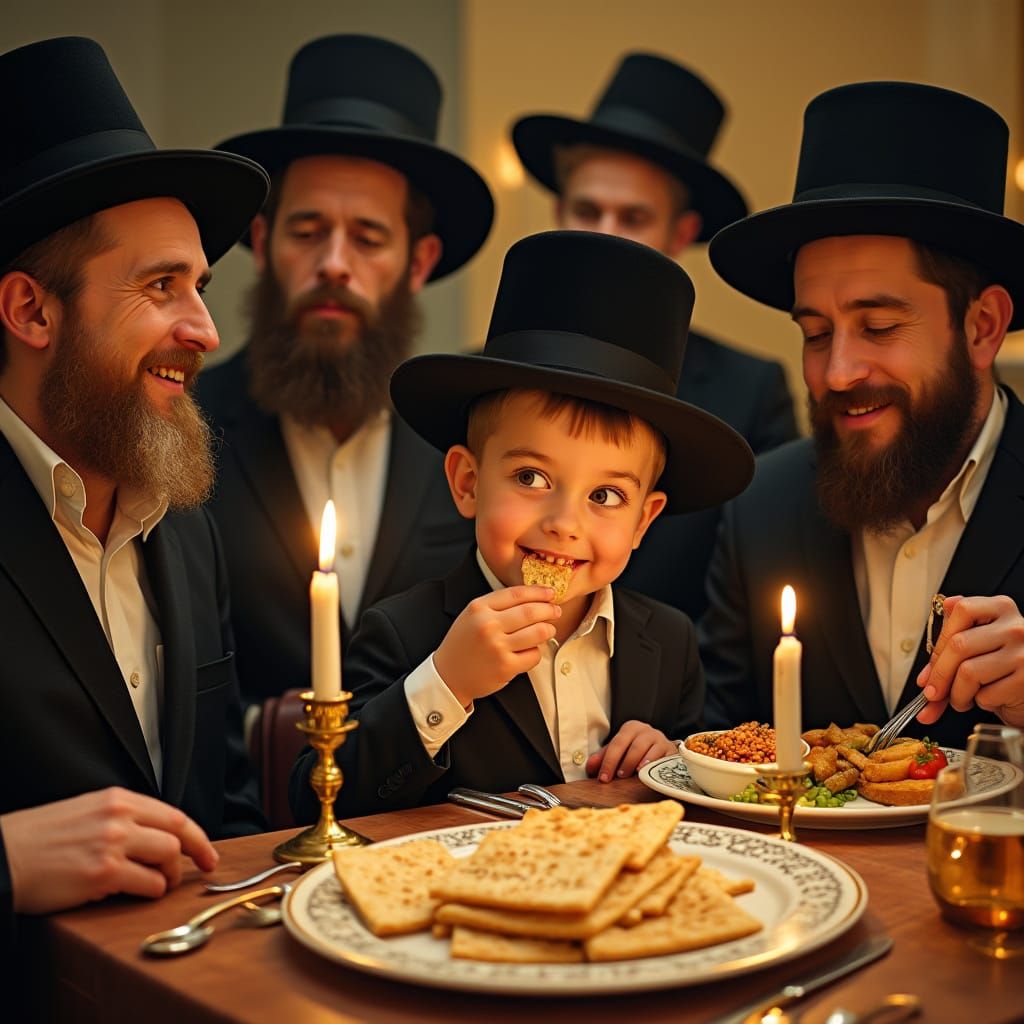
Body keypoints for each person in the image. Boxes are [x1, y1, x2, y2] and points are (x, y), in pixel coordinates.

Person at [291, 230, 754, 820]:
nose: (564, 523)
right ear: (466, 482)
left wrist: (670, 760)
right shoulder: (404, 632)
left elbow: (692, 793)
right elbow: (316, 798)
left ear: (644, 520)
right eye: (532, 478)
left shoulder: (668, 641)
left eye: (607, 494)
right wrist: (447, 682)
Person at [0, 36, 267, 957]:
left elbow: (222, 806)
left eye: (200, 285)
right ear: (32, 311)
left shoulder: (185, 522)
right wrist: (7, 860)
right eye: (162, 287)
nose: (203, 329)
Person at [700, 81, 1024, 748]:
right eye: (815, 334)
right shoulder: (761, 507)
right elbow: (711, 746)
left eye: (877, 326)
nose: (838, 373)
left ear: (982, 327)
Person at [199, 35, 494, 707]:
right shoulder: (182, 424)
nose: (334, 263)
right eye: (307, 231)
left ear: (419, 263)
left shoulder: (471, 434)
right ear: (262, 241)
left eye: (368, 238)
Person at [511, 52, 797, 621]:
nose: (606, 238)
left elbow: (753, 595)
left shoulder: (751, 394)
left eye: (633, 218)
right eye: (588, 210)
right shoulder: (485, 375)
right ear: (557, 210)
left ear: (680, 233)